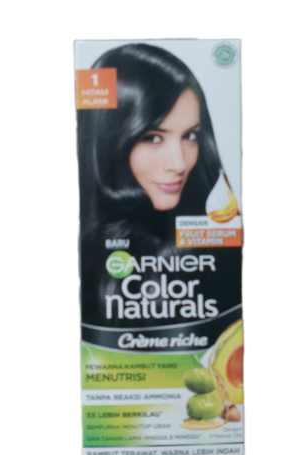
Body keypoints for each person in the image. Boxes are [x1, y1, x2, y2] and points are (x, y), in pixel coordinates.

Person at [77, 43, 241, 327]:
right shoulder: (92, 254)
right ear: (107, 142)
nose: (179, 163)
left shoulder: (215, 237)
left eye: (190, 136)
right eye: (153, 138)